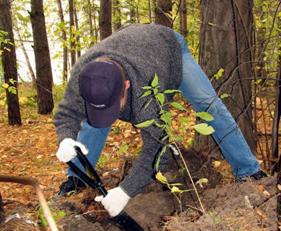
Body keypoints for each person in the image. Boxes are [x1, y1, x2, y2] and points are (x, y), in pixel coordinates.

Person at [54, 24, 266, 217]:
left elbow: (159, 149)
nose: (110, 115)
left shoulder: (147, 92)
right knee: (93, 123)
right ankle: (77, 178)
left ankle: (249, 170)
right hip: (129, 43)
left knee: (209, 106)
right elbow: (67, 113)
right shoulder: (85, 76)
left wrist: (126, 191)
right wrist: (66, 138)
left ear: (126, 85)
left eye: (113, 107)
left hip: (169, 48)